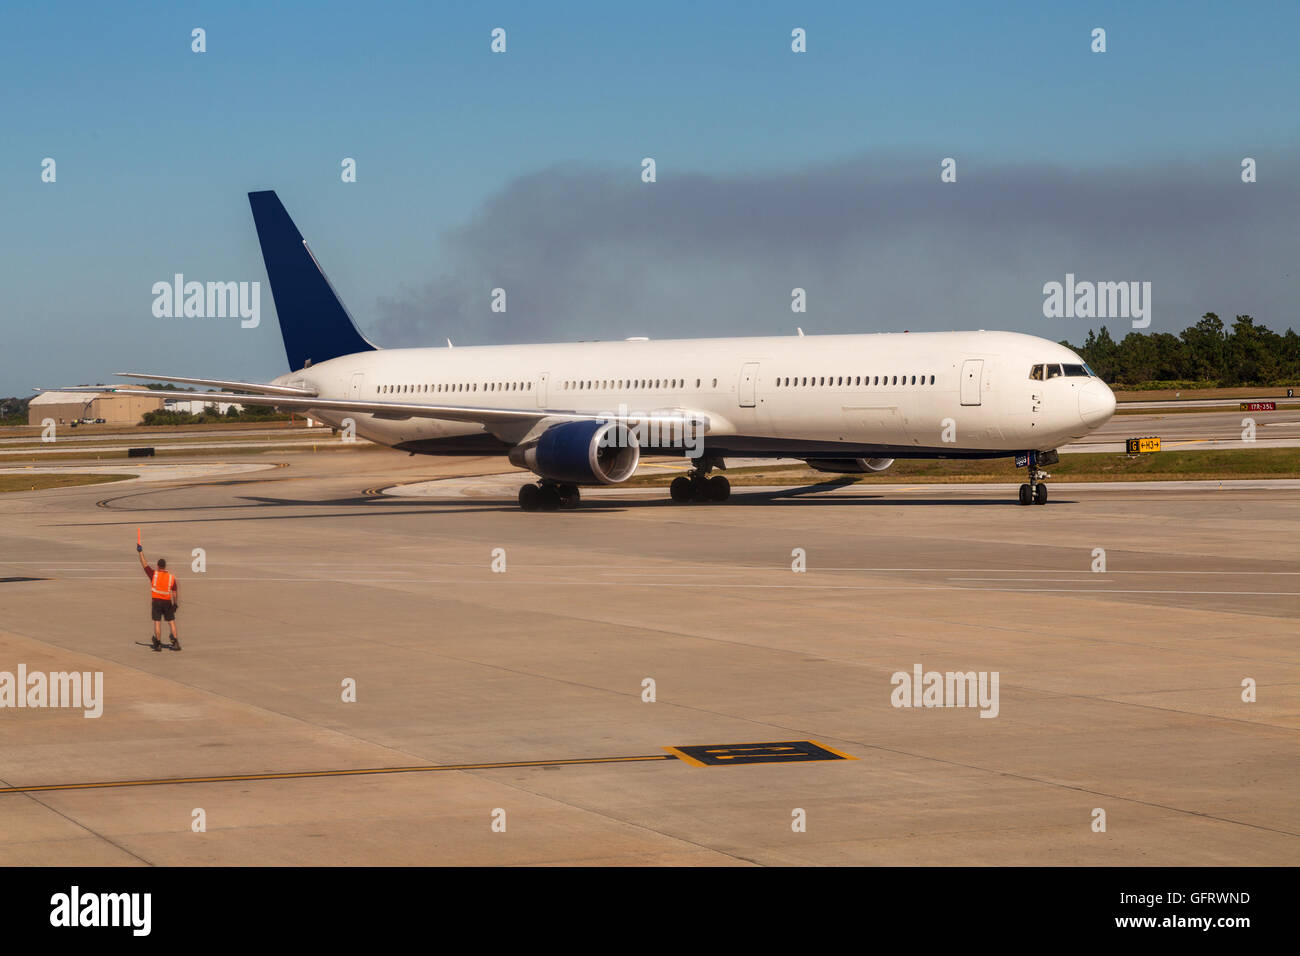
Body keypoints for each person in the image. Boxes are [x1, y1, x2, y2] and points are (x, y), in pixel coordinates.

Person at [137, 543, 181, 650]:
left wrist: (140, 552)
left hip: (157, 601)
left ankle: (158, 643)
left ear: (158, 566)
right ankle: (175, 642)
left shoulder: (154, 575)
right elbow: (174, 592)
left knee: (157, 622)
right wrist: (175, 603)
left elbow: (144, 564)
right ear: (165, 566)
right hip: (167, 601)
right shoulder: (171, 577)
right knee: (171, 622)